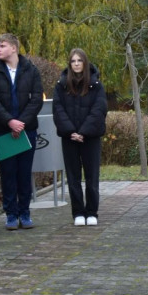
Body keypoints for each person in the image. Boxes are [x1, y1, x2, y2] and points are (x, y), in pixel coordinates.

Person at [0, 33, 45, 230]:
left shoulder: (31, 70)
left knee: (24, 173)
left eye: (2, 46)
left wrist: (21, 123)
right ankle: (11, 215)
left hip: (27, 130)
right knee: (8, 173)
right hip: (3, 132)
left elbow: (36, 99)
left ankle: (25, 213)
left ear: (14, 48)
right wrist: (9, 121)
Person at [52, 49, 108, 226]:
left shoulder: (96, 85)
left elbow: (99, 110)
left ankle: (92, 211)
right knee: (73, 177)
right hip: (69, 138)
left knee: (92, 176)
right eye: (73, 61)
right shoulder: (61, 85)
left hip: (90, 138)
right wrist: (71, 132)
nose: (76, 63)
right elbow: (58, 110)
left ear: (85, 63)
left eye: (79, 61)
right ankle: (78, 212)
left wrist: (83, 132)